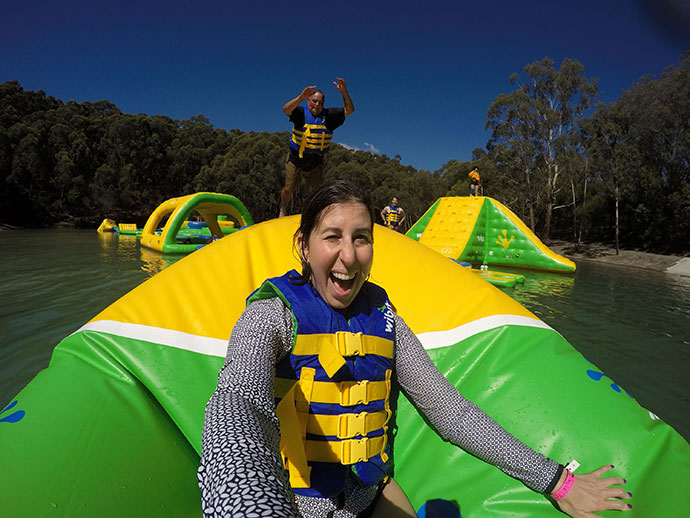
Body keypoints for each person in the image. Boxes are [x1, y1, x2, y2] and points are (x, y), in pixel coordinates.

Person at [198, 179, 632, 517]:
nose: (348, 257)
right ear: (303, 245)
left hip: (370, 493)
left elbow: (452, 413)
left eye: (361, 238)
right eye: (332, 236)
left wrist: (557, 483)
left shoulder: (385, 319)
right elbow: (238, 403)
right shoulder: (272, 316)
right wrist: (251, 503)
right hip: (292, 501)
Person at [279, 79, 355, 218]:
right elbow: (286, 109)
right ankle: (283, 208)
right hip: (296, 159)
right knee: (288, 190)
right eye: (314, 101)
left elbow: (349, 110)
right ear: (308, 101)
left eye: (320, 102)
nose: (317, 105)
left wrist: (344, 92)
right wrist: (301, 97)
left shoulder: (329, 116)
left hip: (315, 163)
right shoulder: (300, 113)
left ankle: (308, 217)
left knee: (315, 195)